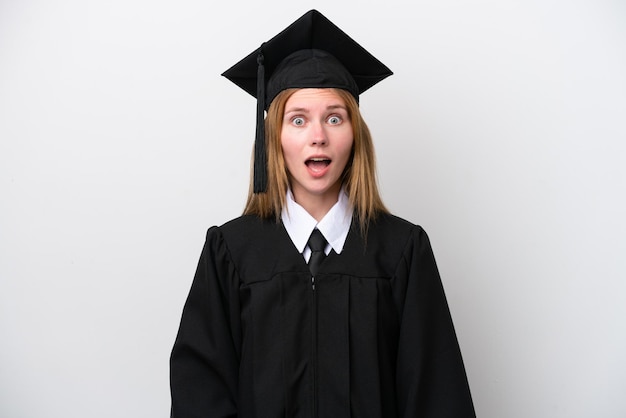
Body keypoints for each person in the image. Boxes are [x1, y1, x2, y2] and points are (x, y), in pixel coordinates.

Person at [170, 9, 475, 418]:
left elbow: (436, 396)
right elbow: (200, 397)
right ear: (274, 139)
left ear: (355, 135)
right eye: (298, 120)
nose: (318, 136)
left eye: (335, 118)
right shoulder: (231, 253)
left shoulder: (401, 251)